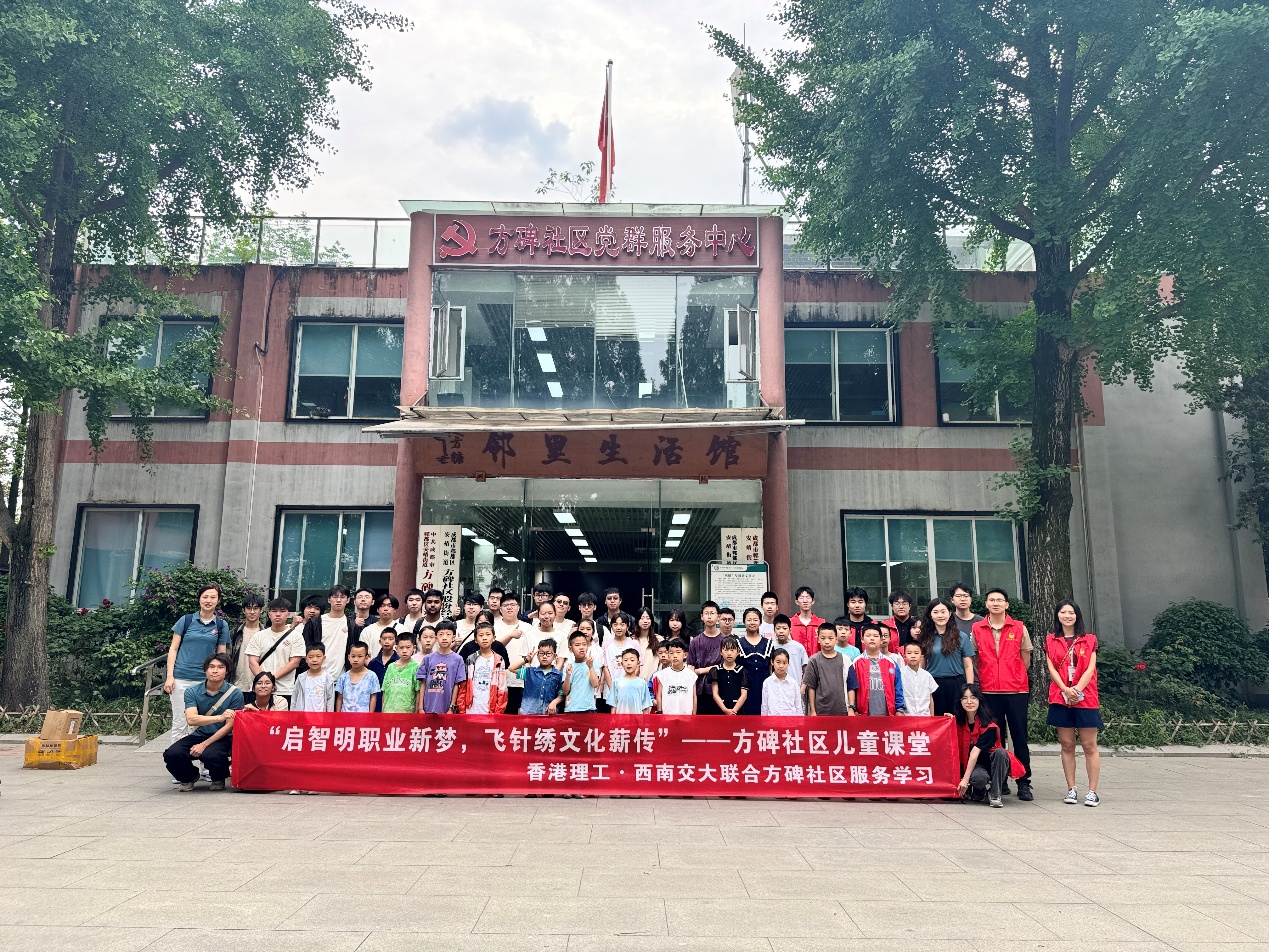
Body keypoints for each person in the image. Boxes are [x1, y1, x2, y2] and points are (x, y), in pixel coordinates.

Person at [971, 588, 1034, 801]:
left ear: (1007, 604)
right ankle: (1001, 780)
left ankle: (1024, 782)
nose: (996, 603)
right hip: (989, 690)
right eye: (992, 600)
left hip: (1016, 690)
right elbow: (975, 657)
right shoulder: (977, 628)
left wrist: (1012, 674)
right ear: (986, 604)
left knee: (1019, 737)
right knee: (995, 737)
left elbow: (1025, 659)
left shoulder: (1019, 627)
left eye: (1000, 600)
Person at [1045, 600, 1103, 807]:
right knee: (1067, 744)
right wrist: (1065, 689)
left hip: (1085, 697)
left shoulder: (1089, 639)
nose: (1067, 616)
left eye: (1071, 612)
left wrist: (1076, 690)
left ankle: (1092, 791)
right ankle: (1071, 788)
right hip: (1060, 696)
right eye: (1063, 612)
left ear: (1077, 615)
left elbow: (1090, 668)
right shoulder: (1051, 639)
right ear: (1057, 615)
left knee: (1089, 745)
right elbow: (1051, 668)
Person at [163, 653, 242, 791]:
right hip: (199, 734)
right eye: (211, 667)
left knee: (210, 754)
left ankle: (218, 777)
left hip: (224, 736)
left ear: (227, 671)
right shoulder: (192, 691)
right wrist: (219, 718)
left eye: (220, 667)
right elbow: (191, 719)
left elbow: (230, 725)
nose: (215, 670)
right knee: (172, 753)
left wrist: (204, 745)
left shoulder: (234, 693)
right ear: (205, 670)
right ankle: (189, 777)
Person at [163, 583, 231, 742]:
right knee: (180, 722)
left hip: (206, 681)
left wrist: (220, 679)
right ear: (199, 599)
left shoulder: (221, 625)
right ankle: (177, 757)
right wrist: (170, 676)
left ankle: (200, 758)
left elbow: (222, 655)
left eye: (213, 597)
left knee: (203, 723)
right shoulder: (186, 620)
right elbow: (173, 649)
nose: (208, 600)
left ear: (218, 600)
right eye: (205, 597)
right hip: (181, 678)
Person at [956, 683, 1024, 808]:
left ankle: (995, 793)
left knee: (1000, 752)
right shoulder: (958, 722)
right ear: (960, 701)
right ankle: (979, 791)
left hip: (993, 765)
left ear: (980, 700)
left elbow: (975, 751)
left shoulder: (989, 726)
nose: (969, 702)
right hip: (975, 767)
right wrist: (947, 719)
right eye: (965, 698)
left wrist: (965, 780)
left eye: (973, 697)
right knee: (979, 778)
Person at [918, 598, 976, 716]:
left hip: (956, 683)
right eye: (935, 612)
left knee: (958, 718)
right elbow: (921, 664)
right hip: (933, 683)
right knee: (936, 718)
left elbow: (968, 665)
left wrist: (969, 688)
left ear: (949, 613)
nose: (940, 615)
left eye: (943, 611)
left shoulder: (961, 636)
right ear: (930, 615)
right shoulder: (925, 637)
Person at [246, 597, 305, 705]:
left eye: (282, 611)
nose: (278, 614)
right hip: (259, 690)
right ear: (269, 614)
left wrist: (271, 680)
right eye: (274, 611)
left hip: (284, 690)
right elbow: (252, 662)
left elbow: (294, 663)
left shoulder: (296, 636)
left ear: (288, 614)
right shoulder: (258, 636)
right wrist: (264, 683)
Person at [847, 624, 906, 716]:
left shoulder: (891, 663)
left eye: (875, 636)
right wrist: (853, 708)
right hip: (863, 713)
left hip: (888, 713)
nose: (872, 638)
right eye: (868, 636)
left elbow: (898, 687)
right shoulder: (856, 663)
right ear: (862, 639)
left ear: (881, 640)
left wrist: (899, 709)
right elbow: (852, 687)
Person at [457, 623, 508, 714]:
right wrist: (462, 709)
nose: (484, 638)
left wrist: (498, 712)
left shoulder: (499, 660)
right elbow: (464, 686)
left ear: (494, 638)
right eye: (481, 635)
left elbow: (502, 688)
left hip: (490, 710)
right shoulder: (470, 659)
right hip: (471, 709)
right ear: (476, 640)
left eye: (488, 634)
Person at [496, 597, 535, 714]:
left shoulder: (529, 628)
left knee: (520, 716)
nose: (509, 607)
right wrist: (510, 635)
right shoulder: (493, 627)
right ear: (500, 609)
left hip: (522, 679)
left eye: (513, 604)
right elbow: (492, 648)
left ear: (518, 608)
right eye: (505, 605)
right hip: (499, 680)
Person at [416, 623, 466, 714]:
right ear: (436, 638)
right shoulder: (428, 658)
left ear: (453, 638)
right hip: (428, 707)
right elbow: (423, 683)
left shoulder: (458, 659)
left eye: (448, 634)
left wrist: (451, 707)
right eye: (441, 634)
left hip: (446, 707)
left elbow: (456, 685)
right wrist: (420, 707)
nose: (444, 638)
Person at [804, 622, 849, 716]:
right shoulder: (813, 660)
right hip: (821, 710)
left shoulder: (844, 659)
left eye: (830, 638)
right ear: (818, 639)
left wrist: (851, 707)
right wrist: (813, 711)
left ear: (836, 639)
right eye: (823, 638)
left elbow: (851, 685)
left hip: (841, 709)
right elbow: (811, 687)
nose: (827, 641)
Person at [687, 601, 724, 714]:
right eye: (706, 613)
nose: (709, 616)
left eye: (712, 613)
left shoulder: (724, 640)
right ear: (701, 617)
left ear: (718, 617)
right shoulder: (695, 641)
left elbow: (724, 666)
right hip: (699, 689)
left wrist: (700, 670)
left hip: (720, 687)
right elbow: (690, 667)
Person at [599, 612, 637, 713]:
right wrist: (613, 689)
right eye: (615, 624)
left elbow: (637, 667)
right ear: (611, 626)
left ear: (627, 626)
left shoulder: (634, 644)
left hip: (630, 689)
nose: (619, 627)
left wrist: (628, 685)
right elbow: (605, 667)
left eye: (622, 624)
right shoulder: (606, 645)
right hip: (610, 691)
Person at [737, 608, 771, 715]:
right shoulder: (738, 643)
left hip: (764, 685)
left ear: (760, 622)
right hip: (744, 687)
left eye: (755, 620)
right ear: (744, 622)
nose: (752, 622)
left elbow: (771, 668)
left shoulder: (768, 643)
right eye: (749, 620)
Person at [230, 594, 265, 693]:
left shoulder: (266, 634)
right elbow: (227, 658)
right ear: (243, 610)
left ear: (261, 610)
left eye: (256, 608)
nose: (252, 612)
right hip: (237, 685)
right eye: (249, 608)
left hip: (260, 686)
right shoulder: (235, 634)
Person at [519, 639, 564, 715]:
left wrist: (554, 702)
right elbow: (511, 668)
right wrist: (526, 660)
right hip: (528, 712)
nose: (545, 656)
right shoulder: (530, 672)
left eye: (548, 653)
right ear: (537, 655)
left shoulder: (558, 675)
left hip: (547, 713)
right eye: (542, 653)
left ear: (554, 656)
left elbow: (562, 693)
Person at [380, 632, 421, 714]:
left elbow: (418, 691)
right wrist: (383, 710)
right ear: (396, 648)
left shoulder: (416, 667)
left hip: (407, 713)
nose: (404, 651)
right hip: (389, 712)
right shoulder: (391, 667)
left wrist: (416, 712)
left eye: (408, 647)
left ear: (414, 648)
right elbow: (385, 690)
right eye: (401, 647)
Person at [561, 630, 600, 714]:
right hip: (571, 709)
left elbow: (595, 684)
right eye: (577, 645)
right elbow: (565, 691)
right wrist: (568, 675)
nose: (581, 647)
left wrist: (590, 667)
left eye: (584, 644)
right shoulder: (569, 667)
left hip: (589, 708)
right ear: (570, 649)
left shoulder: (593, 664)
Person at [708, 636, 749, 716]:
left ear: (738, 652)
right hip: (720, 710)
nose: (729, 653)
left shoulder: (742, 671)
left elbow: (744, 695)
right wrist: (725, 710)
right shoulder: (715, 671)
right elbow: (715, 694)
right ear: (721, 652)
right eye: (726, 650)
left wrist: (734, 711)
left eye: (732, 650)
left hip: (738, 712)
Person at [656, 638, 697, 715]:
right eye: (671, 653)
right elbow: (659, 696)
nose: (675, 656)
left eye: (678, 652)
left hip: (686, 715)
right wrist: (659, 713)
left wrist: (694, 715)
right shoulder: (663, 674)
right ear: (668, 655)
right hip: (667, 715)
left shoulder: (691, 675)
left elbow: (694, 697)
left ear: (685, 655)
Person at [335, 643, 380, 713]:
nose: (356, 659)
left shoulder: (372, 676)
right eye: (353, 656)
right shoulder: (343, 677)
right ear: (349, 657)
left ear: (366, 657)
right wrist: (338, 716)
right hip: (345, 717)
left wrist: (370, 716)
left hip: (364, 717)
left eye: (360, 656)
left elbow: (373, 697)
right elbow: (340, 698)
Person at [290, 644, 337, 712]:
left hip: (321, 717)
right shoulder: (301, 678)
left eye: (318, 656)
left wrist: (328, 717)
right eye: (310, 657)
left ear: (324, 658)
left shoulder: (328, 679)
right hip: (302, 717)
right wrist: (293, 715)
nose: (314, 660)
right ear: (306, 659)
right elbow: (294, 699)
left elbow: (330, 702)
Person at [772, 614, 809, 696]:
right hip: (776, 690)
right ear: (774, 630)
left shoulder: (798, 647)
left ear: (790, 630)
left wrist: (802, 687)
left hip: (795, 690)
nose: (781, 631)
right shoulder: (771, 646)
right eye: (778, 628)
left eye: (784, 628)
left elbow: (806, 669)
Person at [319, 585, 352, 677]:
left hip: (341, 677)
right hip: (318, 675)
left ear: (348, 600)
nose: (338, 600)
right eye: (335, 597)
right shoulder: (317, 622)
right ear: (329, 600)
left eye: (342, 597)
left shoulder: (351, 625)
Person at [610, 647, 652, 714]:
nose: (629, 663)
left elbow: (645, 707)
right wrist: (613, 719)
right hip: (620, 719)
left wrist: (645, 719)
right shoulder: (617, 682)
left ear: (638, 663)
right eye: (626, 660)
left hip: (637, 719)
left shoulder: (642, 683)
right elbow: (613, 705)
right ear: (622, 664)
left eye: (632, 660)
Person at [761, 648, 802, 716]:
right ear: (772, 662)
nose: (781, 666)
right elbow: (764, 707)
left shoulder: (793, 683)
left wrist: (799, 721)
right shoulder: (767, 682)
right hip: (772, 720)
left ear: (788, 663)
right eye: (778, 662)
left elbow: (798, 707)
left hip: (790, 720)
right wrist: (764, 721)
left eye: (784, 663)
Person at [900, 643, 938, 716]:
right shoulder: (900, 674)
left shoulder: (927, 675)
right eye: (909, 653)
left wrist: (932, 717)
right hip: (907, 716)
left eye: (916, 653)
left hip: (925, 716)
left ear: (922, 657)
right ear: (904, 656)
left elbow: (930, 698)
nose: (913, 656)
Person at [790, 586, 826, 658]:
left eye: (808, 597)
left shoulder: (821, 623)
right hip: (795, 661)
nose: (805, 601)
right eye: (801, 598)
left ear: (813, 601)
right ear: (796, 602)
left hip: (816, 662)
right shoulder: (790, 623)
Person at [632, 608, 661, 678]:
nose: (645, 621)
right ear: (637, 620)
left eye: (648, 618)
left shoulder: (659, 639)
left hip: (653, 680)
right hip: (635, 680)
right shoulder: (631, 640)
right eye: (642, 618)